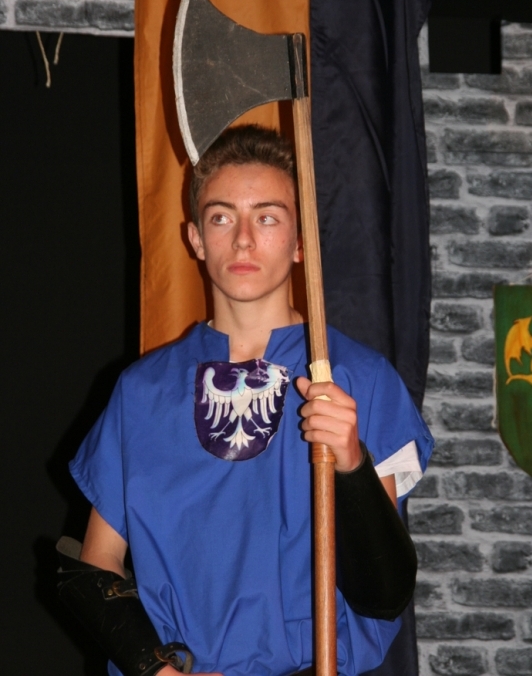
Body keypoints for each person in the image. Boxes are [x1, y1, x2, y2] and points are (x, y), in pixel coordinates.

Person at [58, 125, 433, 676]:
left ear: (301, 242)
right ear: (195, 239)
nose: (242, 240)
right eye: (221, 217)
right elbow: (96, 565)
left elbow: (385, 594)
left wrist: (351, 463)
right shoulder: (142, 391)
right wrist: (158, 671)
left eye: (267, 218)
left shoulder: (359, 380)